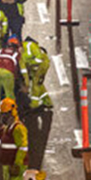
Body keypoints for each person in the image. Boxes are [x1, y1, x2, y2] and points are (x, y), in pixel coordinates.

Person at [20, 35, 54, 170]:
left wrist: (30, 68)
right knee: (40, 85)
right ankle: (47, 101)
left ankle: (34, 105)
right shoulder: (28, 47)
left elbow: (38, 60)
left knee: (35, 85)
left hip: (40, 66)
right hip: (39, 66)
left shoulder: (28, 48)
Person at [0, 34, 24, 109]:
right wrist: (26, 83)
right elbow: (23, 70)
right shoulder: (17, 54)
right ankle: (11, 110)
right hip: (8, 72)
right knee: (9, 93)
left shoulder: (0, 51)